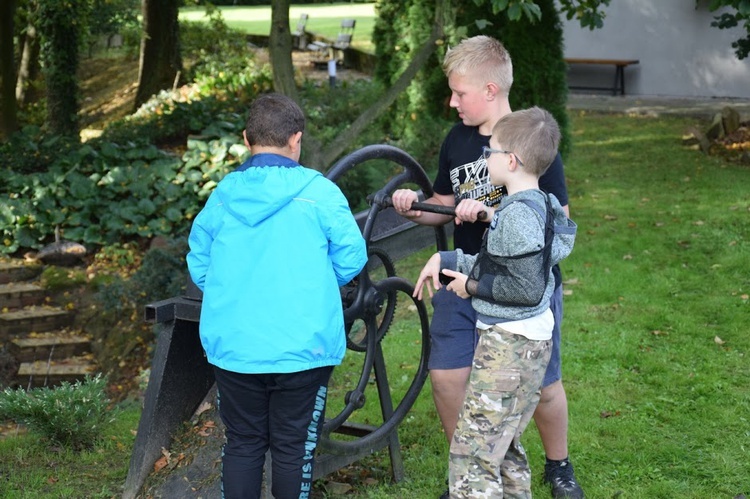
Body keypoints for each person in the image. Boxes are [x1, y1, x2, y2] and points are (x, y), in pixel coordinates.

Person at [390, 36, 585, 499]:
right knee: (448, 375)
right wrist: (414, 208)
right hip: (463, 280)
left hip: (522, 291)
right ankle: (471, 474)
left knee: (543, 385)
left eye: (460, 93)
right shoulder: (457, 140)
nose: (452, 101)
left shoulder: (532, 146)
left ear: (492, 90)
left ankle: (559, 465)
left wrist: (488, 210)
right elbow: (442, 202)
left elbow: (556, 222)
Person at [186, 93, 368, 499]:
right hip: (304, 346)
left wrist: (233, 290)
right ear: (296, 140)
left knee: (243, 445)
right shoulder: (319, 193)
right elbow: (352, 259)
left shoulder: (223, 195)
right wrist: (320, 285)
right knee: (292, 451)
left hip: (234, 346)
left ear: (247, 139)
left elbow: (199, 264)